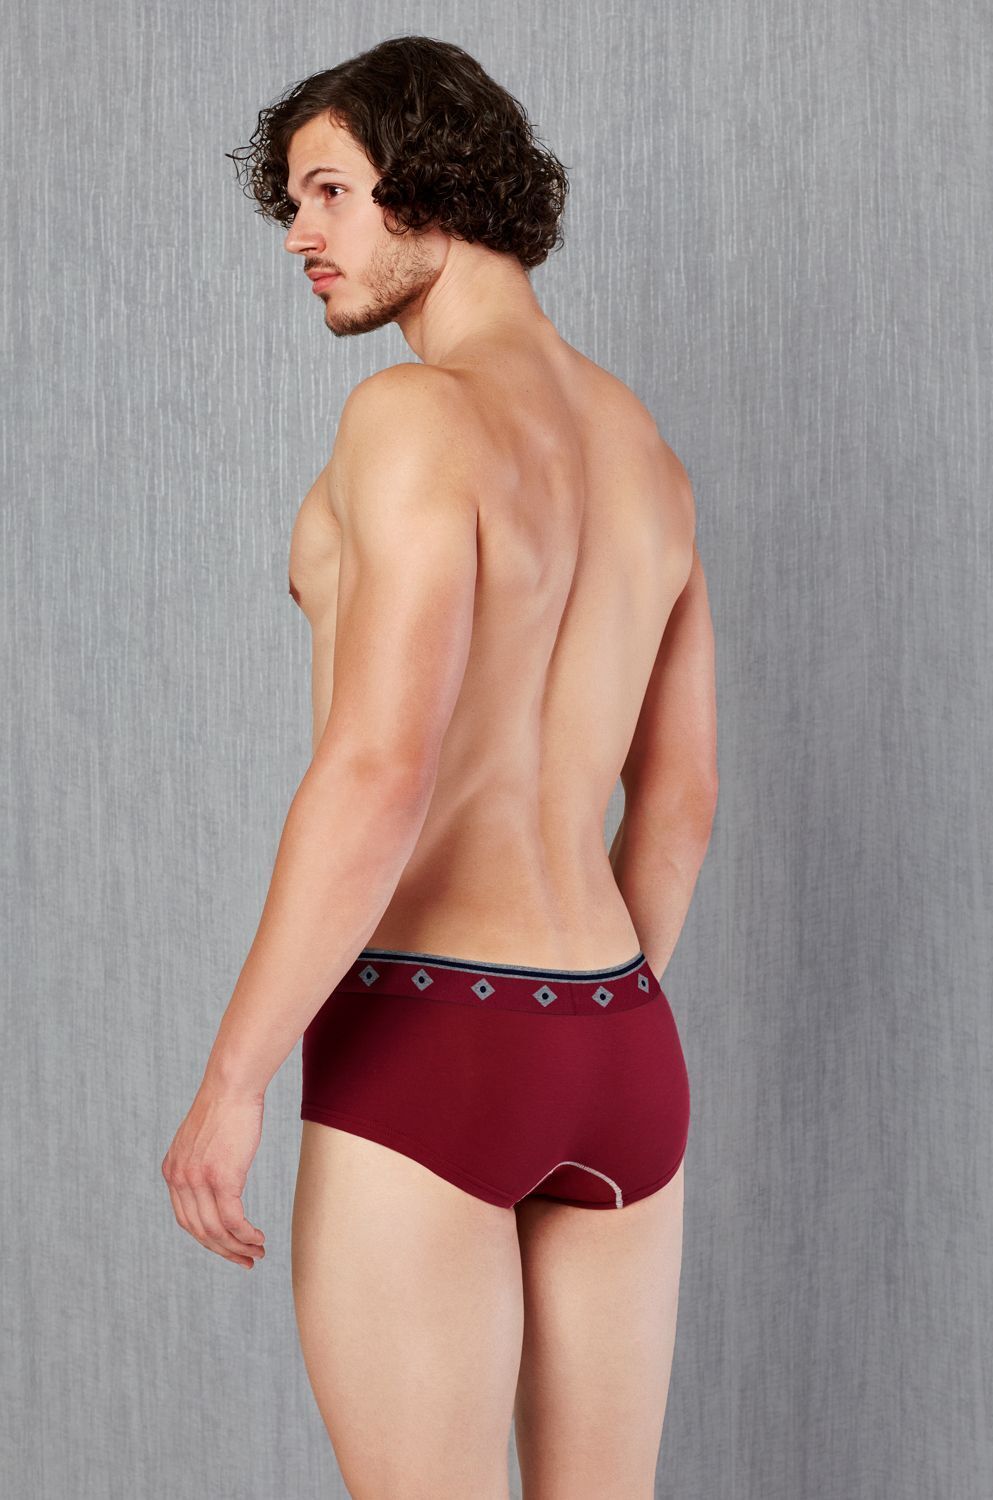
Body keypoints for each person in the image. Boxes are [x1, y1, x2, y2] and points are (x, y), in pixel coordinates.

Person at [161, 33, 717, 1500]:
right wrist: (588, 1026)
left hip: (432, 1032)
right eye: (295, 202)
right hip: (620, 1040)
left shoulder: (410, 417)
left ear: (434, 182)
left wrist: (233, 1079)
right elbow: (681, 801)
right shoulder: (648, 455)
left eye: (331, 193)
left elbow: (378, 770)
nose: (302, 235)